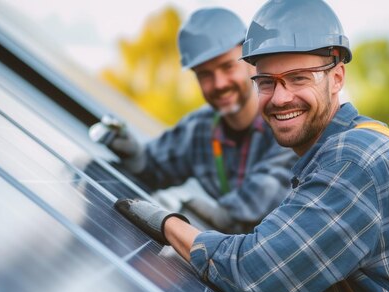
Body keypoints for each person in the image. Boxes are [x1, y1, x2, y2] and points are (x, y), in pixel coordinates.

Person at [115, 0, 389, 292]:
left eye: (299, 78)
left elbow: (249, 274)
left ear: (336, 78)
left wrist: (167, 225)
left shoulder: (353, 160)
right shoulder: (335, 150)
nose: (281, 97)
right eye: (267, 82)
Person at [90, 7, 297, 233]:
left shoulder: (288, 122)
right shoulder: (200, 129)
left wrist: (196, 216)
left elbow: (249, 209)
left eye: (227, 67)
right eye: (205, 74)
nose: (219, 84)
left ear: (251, 61)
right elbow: (152, 168)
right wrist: (133, 154)